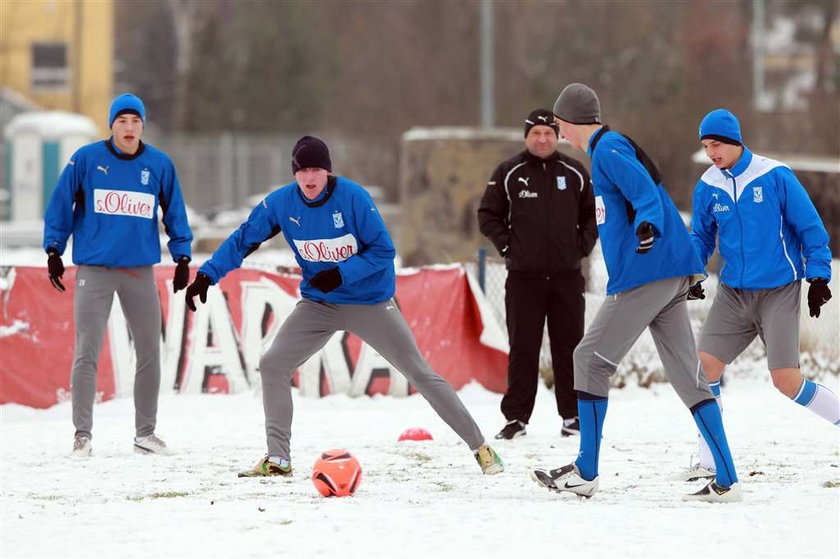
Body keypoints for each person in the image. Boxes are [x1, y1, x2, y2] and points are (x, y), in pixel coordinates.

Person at [184, 135, 504, 477]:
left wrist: (340, 275)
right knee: (273, 363)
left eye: (317, 170)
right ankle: (278, 459)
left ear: (327, 172)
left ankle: (481, 447)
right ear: (294, 173)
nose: (310, 178)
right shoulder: (281, 204)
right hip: (319, 304)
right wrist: (208, 274)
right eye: (303, 170)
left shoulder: (353, 198)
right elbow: (243, 239)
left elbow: (384, 251)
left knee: (419, 373)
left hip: (370, 302)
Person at [529, 83, 741, 502]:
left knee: (587, 359)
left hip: (647, 271)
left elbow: (644, 190)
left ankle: (585, 471)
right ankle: (727, 480)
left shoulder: (607, 149)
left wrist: (649, 225)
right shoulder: (607, 149)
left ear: (570, 120)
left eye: (558, 123)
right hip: (666, 271)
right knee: (689, 378)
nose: (557, 130)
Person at [680, 109, 837, 481]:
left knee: (787, 382)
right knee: (704, 371)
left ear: (734, 140)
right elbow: (701, 236)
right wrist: (693, 270)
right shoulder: (708, 185)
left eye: (716, 144)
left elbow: (811, 228)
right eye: (705, 146)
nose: (711, 153)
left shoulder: (775, 175)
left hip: (779, 289)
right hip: (734, 293)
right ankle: (710, 459)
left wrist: (818, 278)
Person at [43, 93, 193, 457]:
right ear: (112, 125)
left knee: (149, 351)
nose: (129, 128)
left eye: (135, 121)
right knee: (87, 351)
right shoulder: (86, 159)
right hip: (94, 270)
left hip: (139, 270)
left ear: (143, 125)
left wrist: (183, 255)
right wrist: (53, 249)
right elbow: (61, 204)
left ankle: (146, 434)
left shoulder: (159, 164)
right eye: (122, 121)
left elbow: (175, 213)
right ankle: (83, 435)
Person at [478, 109, 597, 440]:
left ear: (557, 136)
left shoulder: (574, 171)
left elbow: (593, 214)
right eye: (536, 134)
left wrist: (581, 248)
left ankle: (572, 416)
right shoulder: (509, 172)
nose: (542, 139)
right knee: (523, 348)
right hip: (523, 279)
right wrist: (508, 248)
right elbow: (487, 215)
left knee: (569, 348)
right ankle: (516, 419)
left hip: (566, 277)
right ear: (526, 137)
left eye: (548, 133)